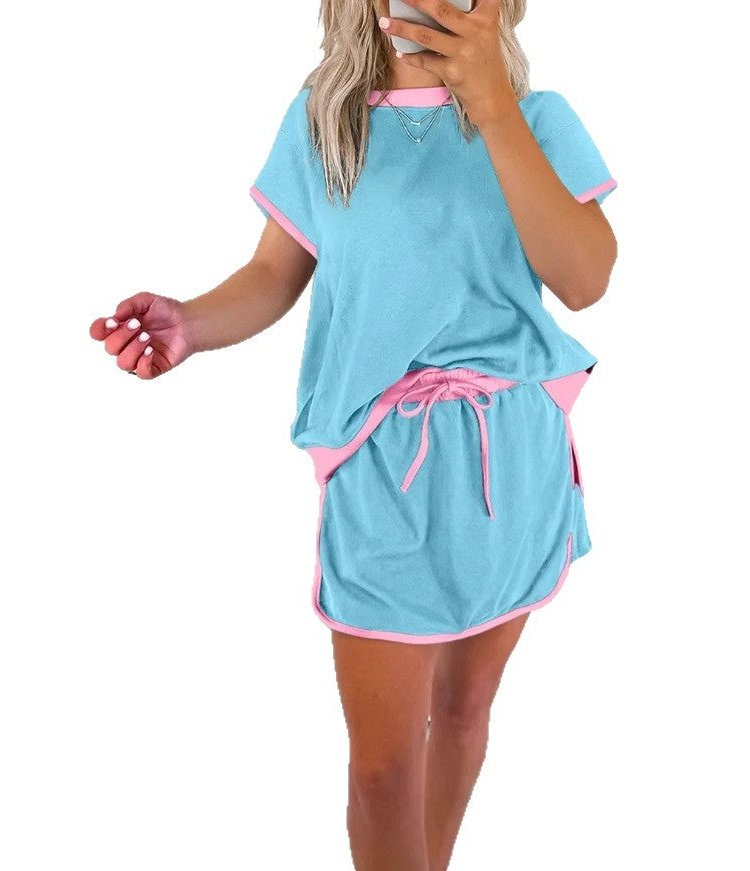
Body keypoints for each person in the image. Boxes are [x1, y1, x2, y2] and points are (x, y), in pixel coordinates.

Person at [89, 1, 618, 867]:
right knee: (380, 770)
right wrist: (191, 322)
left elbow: (585, 278)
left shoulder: (539, 119)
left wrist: (491, 106)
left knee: (463, 711)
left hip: (511, 456)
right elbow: (272, 273)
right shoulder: (324, 123)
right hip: (382, 465)